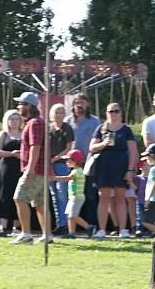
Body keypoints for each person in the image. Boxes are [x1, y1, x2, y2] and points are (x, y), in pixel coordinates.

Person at [89, 102, 138, 239]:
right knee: (103, 198)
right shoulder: (101, 128)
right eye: (111, 111)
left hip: (121, 166)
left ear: (121, 113)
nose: (114, 114)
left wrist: (130, 170)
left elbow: (133, 151)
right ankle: (102, 230)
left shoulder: (126, 130)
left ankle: (123, 229)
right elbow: (91, 147)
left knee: (120, 198)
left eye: (116, 111)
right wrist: (102, 144)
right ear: (106, 113)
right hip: (103, 166)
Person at [10, 91, 50, 244]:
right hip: (40, 169)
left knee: (19, 197)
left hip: (36, 169)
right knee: (40, 204)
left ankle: (26, 234)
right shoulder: (35, 122)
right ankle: (47, 235)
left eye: (20, 104)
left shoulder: (35, 123)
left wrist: (30, 168)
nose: (18, 106)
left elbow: (36, 146)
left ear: (29, 106)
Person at [67, 93, 101, 226]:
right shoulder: (68, 121)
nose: (80, 105)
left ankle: (92, 225)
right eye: (77, 103)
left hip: (89, 165)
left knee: (91, 196)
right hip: (72, 165)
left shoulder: (95, 121)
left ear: (87, 105)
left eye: (82, 102)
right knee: (72, 196)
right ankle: (73, 228)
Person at [51, 148, 94, 239]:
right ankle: (71, 233)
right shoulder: (74, 170)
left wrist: (54, 178)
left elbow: (67, 178)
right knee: (69, 215)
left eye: (68, 160)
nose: (66, 162)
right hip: (72, 197)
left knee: (73, 215)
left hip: (77, 198)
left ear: (75, 161)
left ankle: (89, 227)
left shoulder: (77, 171)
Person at [0, 109, 23, 236]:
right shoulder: (2, 134)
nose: (14, 121)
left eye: (17, 119)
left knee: (19, 196)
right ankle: (3, 227)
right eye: (12, 119)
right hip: (6, 168)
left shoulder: (23, 134)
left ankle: (16, 227)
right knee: (5, 196)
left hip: (20, 168)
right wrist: (12, 154)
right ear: (7, 120)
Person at [48, 103, 74, 236]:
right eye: (57, 112)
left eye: (62, 112)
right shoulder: (49, 128)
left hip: (62, 164)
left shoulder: (67, 128)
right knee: (53, 196)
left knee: (62, 194)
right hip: (50, 165)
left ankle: (65, 224)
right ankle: (59, 223)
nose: (59, 115)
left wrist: (55, 158)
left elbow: (68, 148)